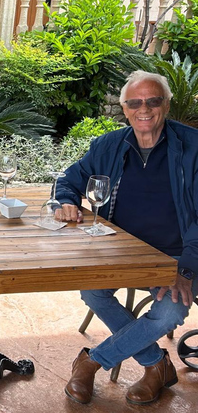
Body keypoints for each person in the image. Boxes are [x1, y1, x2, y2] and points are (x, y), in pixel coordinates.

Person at [55, 70, 198, 406]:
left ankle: (91, 362)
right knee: (91, 290)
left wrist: (186, 269)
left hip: (178, 257)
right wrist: (65, 201)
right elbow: (70, 179)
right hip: (121, 253)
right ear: (125, 108)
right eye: (135, 103)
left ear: (166, 103)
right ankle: (155, 365)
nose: (143, 109)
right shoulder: (108, 146)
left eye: (152, 101)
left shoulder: (193, 148)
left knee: (167, 314)